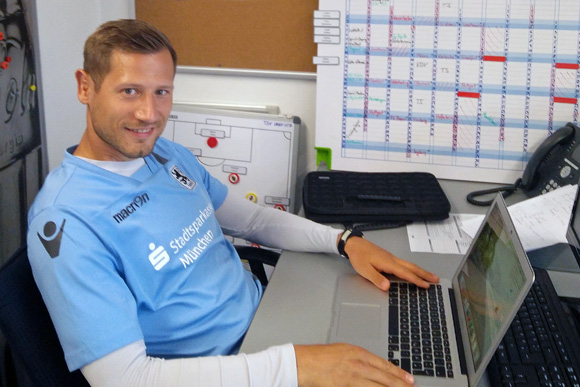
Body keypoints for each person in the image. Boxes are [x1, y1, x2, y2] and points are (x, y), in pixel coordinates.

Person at [27, 19, 439, 386]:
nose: (148, 113)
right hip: (223, 368)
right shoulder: (66, 221)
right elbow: (125, 378)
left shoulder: (167, 155)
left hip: (267, 320)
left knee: (408, 349)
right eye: (129, 91)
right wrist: (294, 368)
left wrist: (344, 242)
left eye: (162, 92)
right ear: (86, 86)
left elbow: (255, 220)